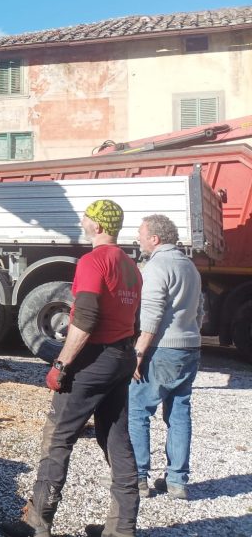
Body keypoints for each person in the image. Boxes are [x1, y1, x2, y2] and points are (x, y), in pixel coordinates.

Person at [1, 199, 143, 537]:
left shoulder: (93, 261)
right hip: (121, 356)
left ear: (98, 225)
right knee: (117, 440)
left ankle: (36, 524)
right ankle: (122, 530)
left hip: (94, 359)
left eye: (87, 217)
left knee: (58, 437)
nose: (82, 220)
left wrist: (62, 363)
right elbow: (133, 319)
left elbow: (86, 318)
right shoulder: (131, 267)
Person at [128, 214, 203, 500]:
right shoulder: (190, 266)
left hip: (163, 348)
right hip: (190, 347)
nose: (139, 239)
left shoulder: (157, 266)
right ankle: (177, 482)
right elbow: (200, 310)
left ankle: (137, 478)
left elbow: (152, 314)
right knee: (180, 412)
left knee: (138, 410)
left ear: (155, 239)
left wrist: (138, 353)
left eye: (141, 234)